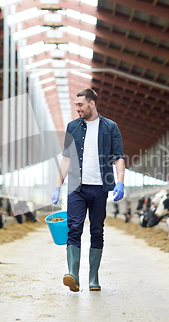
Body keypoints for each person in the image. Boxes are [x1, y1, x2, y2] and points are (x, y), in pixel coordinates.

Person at [51, 88, 125, 292]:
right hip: (76, 187)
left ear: (92, 104)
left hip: (100, 188)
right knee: (74, 228)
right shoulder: (72, 127)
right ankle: (73, 275)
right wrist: (58, 186)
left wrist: (120, 181)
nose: (77, 109)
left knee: (96, 230)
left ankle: (94, 277)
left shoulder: (110, 127)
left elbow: (119, 156)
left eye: (80, 105)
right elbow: (66, 159)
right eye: (76, 105)